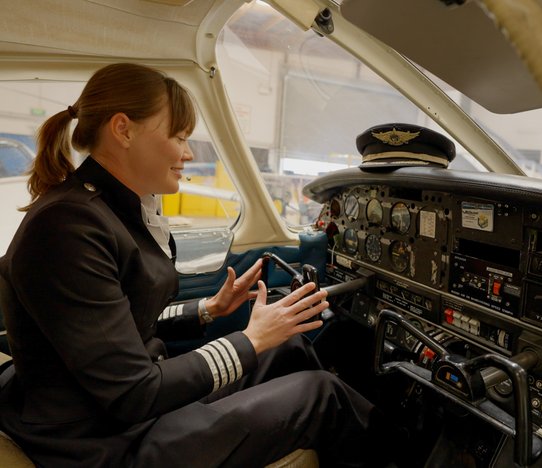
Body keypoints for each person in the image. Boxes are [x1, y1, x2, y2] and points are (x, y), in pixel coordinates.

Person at [0, 63, 384, 467]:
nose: (188, 153)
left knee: (288, 347)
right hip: (102, 443)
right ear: (123, 130)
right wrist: (250, 340)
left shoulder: (107, 209)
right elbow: (132, 393)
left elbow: (114, 326)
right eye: (179, 136)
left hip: (117, 414)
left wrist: (207, 310)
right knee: (322, 394)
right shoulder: (69, 228)